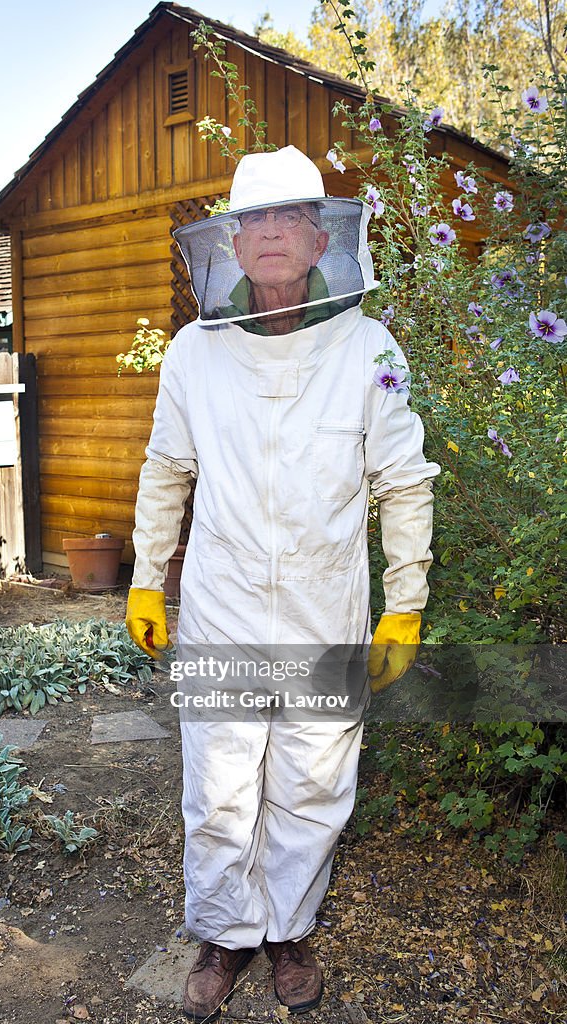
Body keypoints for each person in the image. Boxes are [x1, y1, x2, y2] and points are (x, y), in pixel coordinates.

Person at [126, 146, 440, 1021]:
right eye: (252, 220)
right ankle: (224, 934)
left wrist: (404, 604)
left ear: (316, 237)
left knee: (311, 777)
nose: (269, 235)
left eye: (286, 218)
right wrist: (148, 579)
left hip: (323, 603)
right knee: (218, 780)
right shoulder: (193, 352)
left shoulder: (369, 345)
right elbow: (166, 470)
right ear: (228, 244)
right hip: (222, 604)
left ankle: (289, 930)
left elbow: (403, 480)